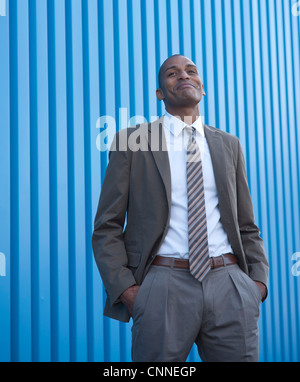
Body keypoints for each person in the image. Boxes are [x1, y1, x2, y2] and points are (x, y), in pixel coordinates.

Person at [92, 54, 269, 362]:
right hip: (163, 285)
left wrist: (257, 284)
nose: (183, 76)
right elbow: (107, 226)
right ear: (160, 93)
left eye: (191, 71)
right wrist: (129, 291)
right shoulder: (132, 142)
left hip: (230, 283)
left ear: (202, 86)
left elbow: (246, 223)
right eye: (172, 74)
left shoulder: (228, 143)